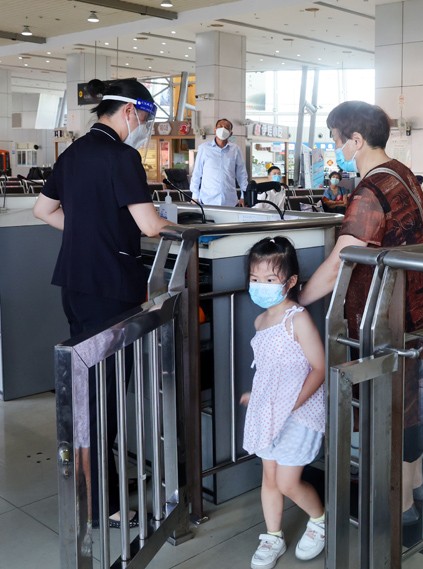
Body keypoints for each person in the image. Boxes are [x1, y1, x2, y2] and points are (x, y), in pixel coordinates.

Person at [297, 101, 423, 526]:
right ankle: (415, 486)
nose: (335, 148)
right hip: (421, 304)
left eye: (336, 140)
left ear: (356, 140)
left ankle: (398, 506)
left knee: (391, 404)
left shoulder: (370, 191)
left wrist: (299, 301)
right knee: (413, 399)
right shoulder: (401, 172)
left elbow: (341, 262)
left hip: (389, 314)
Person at [32, 78, 171, 528]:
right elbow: (150, 226)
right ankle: (99, 504)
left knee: (87, 390)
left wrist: (86, 233)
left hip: (75, 284)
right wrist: (191, 228)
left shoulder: (72, 153)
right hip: (111, 287)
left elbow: (43, 211)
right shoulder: (121, 156)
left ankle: (93, 486)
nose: (143, 128)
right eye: (145, 119)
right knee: (103, 396)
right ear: (129, 111)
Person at [240, 237, 326, 568]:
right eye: (255, 278)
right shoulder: (260, 322)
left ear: (290, 282)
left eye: (269, 279)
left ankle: (319, 520)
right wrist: (257, 397)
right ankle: (272, 536)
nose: (260, 285)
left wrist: (291, 403)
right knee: (270, 477)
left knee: (287, 482)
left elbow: (319, 368)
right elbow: (269, 371)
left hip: (301, 413)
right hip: (269, 412)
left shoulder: (297, 319)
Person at [190, 117, 249, 206]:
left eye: (226, 128)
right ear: (215, 130)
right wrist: (195, 196)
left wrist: (244, 196)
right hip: (208, 200)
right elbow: (197, 173)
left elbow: (242, 174)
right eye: (220, 126)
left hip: (229, 200)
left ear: (231, 133)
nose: (223, 129)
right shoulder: (204, 148)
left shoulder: (235, 150)